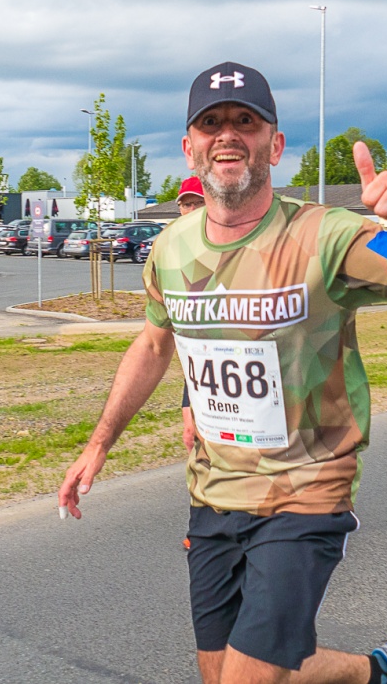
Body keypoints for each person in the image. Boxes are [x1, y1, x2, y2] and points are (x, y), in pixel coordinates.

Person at [58, 61, 387, 683]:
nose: (228, 135)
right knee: (229, 674)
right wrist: (98, 445)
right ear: (190, 146)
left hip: (305, 489)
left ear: (276, 144)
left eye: (247, 122)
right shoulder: (170, 249)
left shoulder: (330, 236)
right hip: (212, 492)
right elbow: (155, 346)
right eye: (211, 123)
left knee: (246, 680)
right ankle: (374, 673)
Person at [176, 175, 205, 551]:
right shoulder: (175, 254)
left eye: (197, 202)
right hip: (198, 366)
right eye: (185, 203)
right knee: (195, 441)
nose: (190, 209)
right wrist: (186, 405)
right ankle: (203, 526)